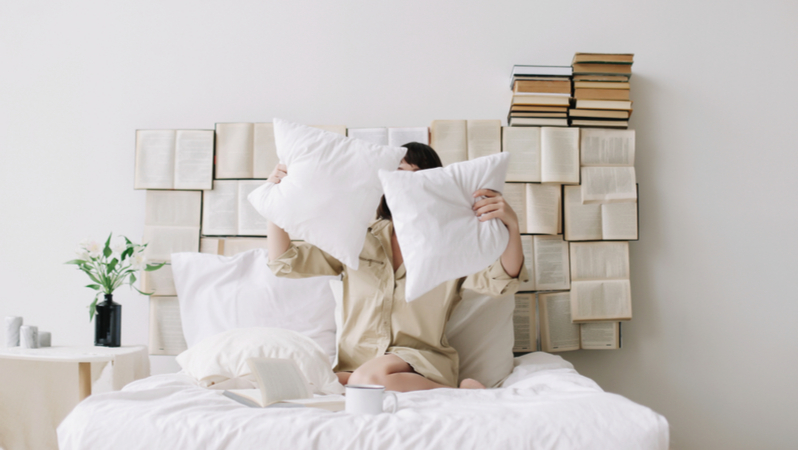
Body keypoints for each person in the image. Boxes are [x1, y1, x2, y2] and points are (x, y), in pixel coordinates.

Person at [266, 142, 527, 392]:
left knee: (368, 379)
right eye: (402, 175)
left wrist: (511, 226)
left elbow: (501, 281)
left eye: (420, 177)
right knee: (313, 382)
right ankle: (452, 393)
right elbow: (284, 262)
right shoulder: (357, 238)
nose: (410, 184)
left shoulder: (451, 244)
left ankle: (456, 392)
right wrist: (274, 197)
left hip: (420, 364)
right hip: (355, 365)